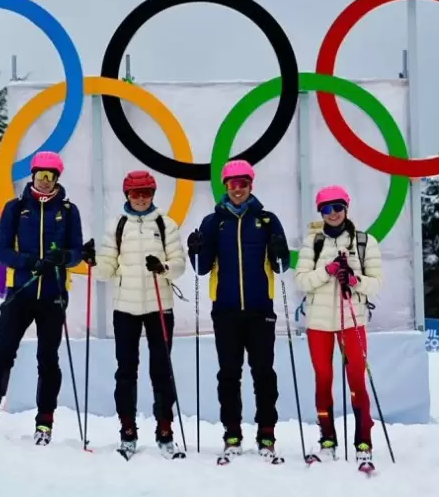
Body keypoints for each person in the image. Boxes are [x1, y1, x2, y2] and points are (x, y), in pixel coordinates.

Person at [0, 151, 84, 446]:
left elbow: (76, 253)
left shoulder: (69, 211)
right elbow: (2, 249)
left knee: (48, 358)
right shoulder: (16, 207)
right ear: (32, 176)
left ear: (57, 179)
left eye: (50, 177)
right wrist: (28, 262)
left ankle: (45, 422)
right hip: (20, 290)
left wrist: (62, 257)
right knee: (3, 351)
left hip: (54, 294)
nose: (44, 182)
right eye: (40, 176)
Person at [186, 159, 290, 460]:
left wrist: (282, 252)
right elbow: (201, 269)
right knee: (229, 375)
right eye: (232, 184)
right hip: (226, 311)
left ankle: (266, 434)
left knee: (264, 374)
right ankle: (232, 434)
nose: (237, 190)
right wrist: (196, 249)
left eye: (242, 184)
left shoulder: (267, 220)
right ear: (225, 186)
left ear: (250, 185)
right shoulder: (213, 222)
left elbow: (281, 266)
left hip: (260, 310)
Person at [80, 170, 187, 458]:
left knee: (161, 371)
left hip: (159, 307)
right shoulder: (118, 225)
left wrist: (162, 268)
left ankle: (165, 432)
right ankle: (127, 432)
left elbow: (179, 264)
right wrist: (92, 261)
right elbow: (107, 269)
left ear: (153, 194)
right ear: (126, 194)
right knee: (126, 371)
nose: (141, 199)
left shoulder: (166, 224)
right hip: (125, 308)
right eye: (135, 193)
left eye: (146, 193)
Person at [293, 185, 383, 469]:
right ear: (320, 212)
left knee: (356, 378)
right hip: (318, 323)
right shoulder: (313, 243)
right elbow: (301, 281)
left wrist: (354, 279)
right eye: (326, 209)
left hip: (352, 320)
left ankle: (363, 442)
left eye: (337, 207)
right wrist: (328, 270)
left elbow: (377, 284)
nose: (332, 213)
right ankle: (327, 440)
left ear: (346, 208)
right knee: (323, 378)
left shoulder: (364, 241)